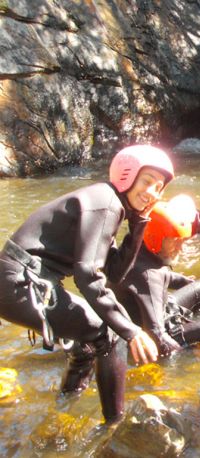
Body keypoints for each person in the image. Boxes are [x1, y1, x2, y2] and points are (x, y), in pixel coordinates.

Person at [0, 145, 174, 423]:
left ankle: (64, 409)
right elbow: (87, 275)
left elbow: (113, 273)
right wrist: (130, 330)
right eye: (147, 181)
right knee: (109, 335)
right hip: (21, 282)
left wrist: (139, 224)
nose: (152, 191)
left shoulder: (110, 203)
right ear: (127, 176)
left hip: (19, 281)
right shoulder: (106, 203)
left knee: (86, 343)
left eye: (159, 186)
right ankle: (114, 424)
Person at [110, 194, 200, 357]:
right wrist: (185, 356)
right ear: (155, 238)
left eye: (182, 241)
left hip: (157, 310)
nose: (181, 248)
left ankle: (194, 327)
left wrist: (190, 282)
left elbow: (167, 276)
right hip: (149, 330)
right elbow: (157, 336)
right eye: (175, 242)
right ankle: (198, 348)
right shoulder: (149, 276)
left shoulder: (140, 250)